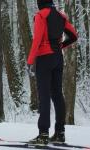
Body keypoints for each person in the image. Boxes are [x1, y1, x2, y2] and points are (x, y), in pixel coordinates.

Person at [27, 0, 78, 145]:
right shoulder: (61, 17)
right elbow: (74, 36)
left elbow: (37, 40)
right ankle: (60, 133)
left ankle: (43, 134)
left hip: (44, 58)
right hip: (58, 58)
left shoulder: (41, 16)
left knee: (44, 95)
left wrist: (30, 61)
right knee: (57, 94)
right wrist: (60, 45)